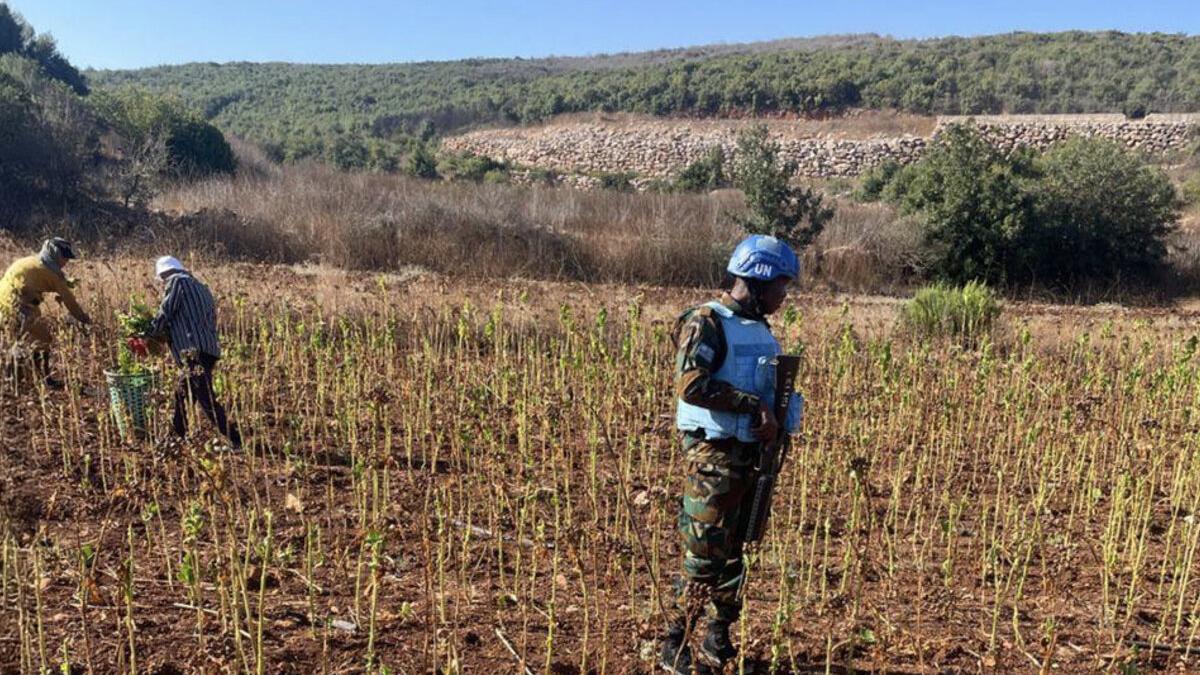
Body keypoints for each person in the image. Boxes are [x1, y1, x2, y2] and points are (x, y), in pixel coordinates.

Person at [660, 235, 804, 674]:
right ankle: (675, 642)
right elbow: (692, 384)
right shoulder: (707, 321)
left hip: (751, 457)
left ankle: (718, 635)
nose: (784, 295)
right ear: (758, 280)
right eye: (781, 285)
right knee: (704, 553)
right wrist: (750, 405)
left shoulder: (760, 329)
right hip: (713, 459)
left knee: (736, 552)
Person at [144, 256, 242, 450]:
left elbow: (166, 311)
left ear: (165, 274)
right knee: (182, 395)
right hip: (208, 349)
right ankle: (174, 438)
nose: (163, 284)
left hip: (192, 351)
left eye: (162, 279)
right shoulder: (202, 288)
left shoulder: (177, 282)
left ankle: (235, 440)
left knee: (205, 399)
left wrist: (149, 332)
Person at [0, 238, 91, 388]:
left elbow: (45, 277)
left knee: (18, 341)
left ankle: (13, 381)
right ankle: (44, 379)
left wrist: (65, 281)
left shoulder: (30, 261)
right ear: (55, 254)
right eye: (65, 257)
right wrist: (85, 319)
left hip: (4, 303)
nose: (66, 261)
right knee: (43, 340)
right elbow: (70, 302)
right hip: (19, 307)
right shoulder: (51, 274)